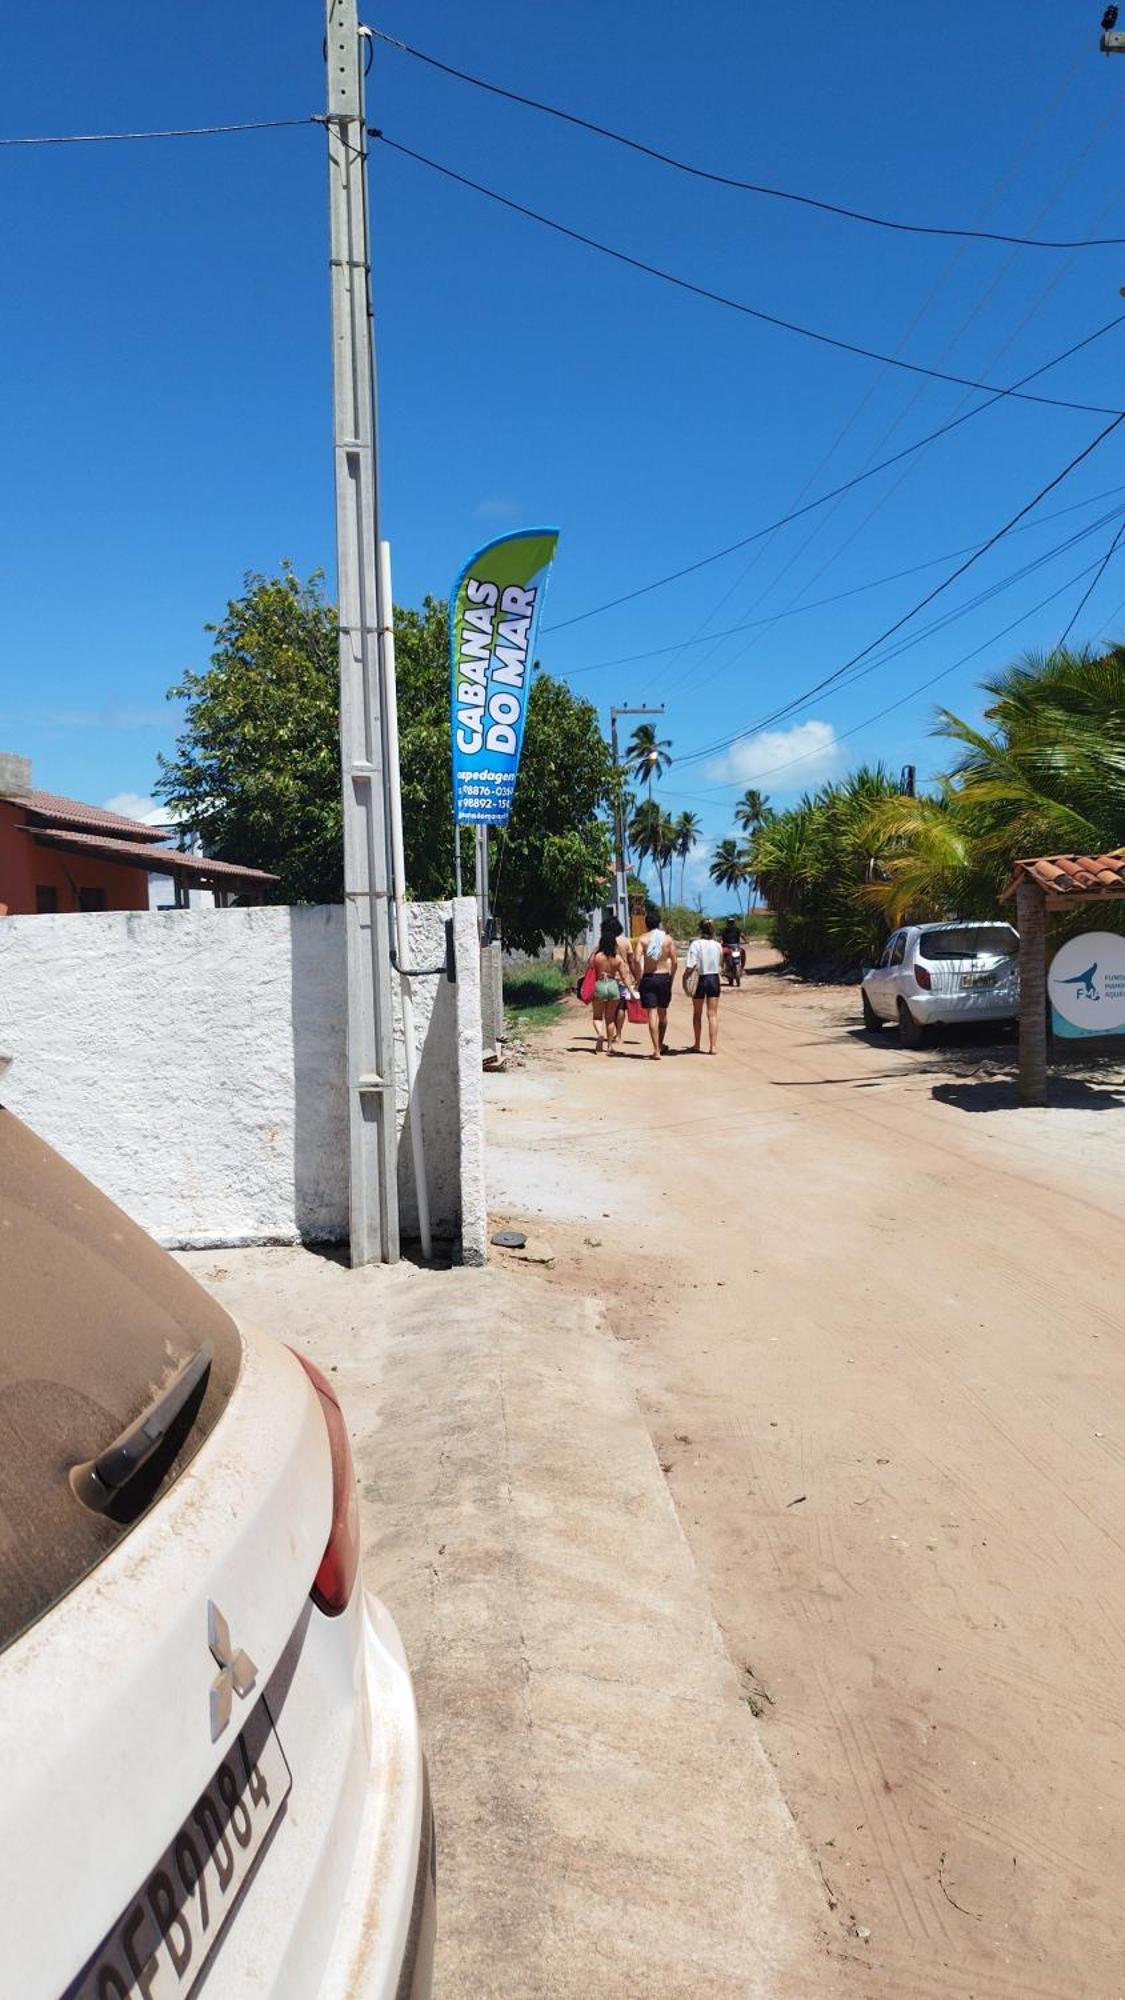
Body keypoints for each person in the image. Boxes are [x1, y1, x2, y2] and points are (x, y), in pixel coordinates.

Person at [635, 914, 677, 1059]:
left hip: (649, 977)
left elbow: (636, 959)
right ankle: (660, 1043)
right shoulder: (667, 939)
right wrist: (671, 977)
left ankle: (656, 1050)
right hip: (664, 977)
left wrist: (637, 977)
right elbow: (675, 961)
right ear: (659, 924)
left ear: (646, 924)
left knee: (651, 1013)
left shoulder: (642, 939)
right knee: (663, 1014)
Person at [590, 919, 633, 1054]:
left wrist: (596, 950)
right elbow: (625, 976)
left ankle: (599, 1035)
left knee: (597, 1017)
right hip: (613, 986)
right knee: (610, 1018)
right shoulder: (618, 959)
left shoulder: (597, 957)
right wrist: (631, 991)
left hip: (600, 985)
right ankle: (609, 1046)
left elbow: (589, 965)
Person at [685, 917, 723, 1054]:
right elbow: (721, 964)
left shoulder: (696, 944)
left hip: (700, 979)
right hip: (714, 979)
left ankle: (697, 1044)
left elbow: (691, 965)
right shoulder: (718, 945)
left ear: (700, 929)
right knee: (712, 1014)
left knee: (697, 1013)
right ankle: (713, 1047)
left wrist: (684, 977)